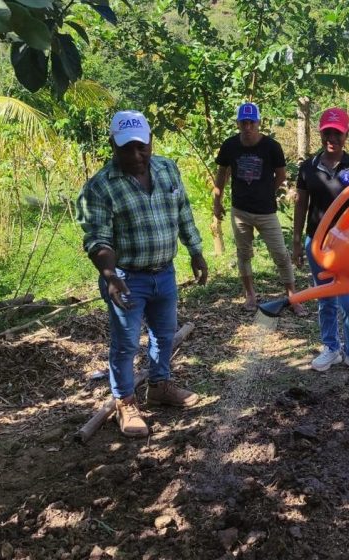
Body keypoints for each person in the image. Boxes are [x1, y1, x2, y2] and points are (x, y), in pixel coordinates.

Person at [77, 110, 209, 438]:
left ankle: (160, 385)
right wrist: (110, 275)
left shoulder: (167, 169)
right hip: (126, 278)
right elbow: (97, 237)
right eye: (127, 148)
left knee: (164, 335)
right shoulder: (101, 187)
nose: (136, 155)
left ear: (151, 141)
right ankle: (125, 402)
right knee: (124, 345)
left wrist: (195, 251)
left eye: (142, 146)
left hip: (164, 273)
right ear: (113, 145)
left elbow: (183, 213)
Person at [293, 107, 349, 377]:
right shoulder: (308, 167)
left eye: (337, 133)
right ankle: (331, 347)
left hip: (348, 245)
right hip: (317, 242)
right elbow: (301, 205)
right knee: (325, 298)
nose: (332, 138)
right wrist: (296, 241)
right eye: (327, 132)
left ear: (346, 134)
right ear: (320, 133)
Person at [213, 102, 304, 315]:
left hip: (266, 211)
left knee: (281, 254)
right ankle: (250, 295)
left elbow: (281, 176)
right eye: (243, 122)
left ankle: (293, 296)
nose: (247, 127)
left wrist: (266, 192)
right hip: (240, 211)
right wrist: (217, 202)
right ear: (237, 123)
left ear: (258, 122)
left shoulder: (272, 147)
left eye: (251, 122)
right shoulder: (230, 146)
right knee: (244, 254)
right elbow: (221, 174)